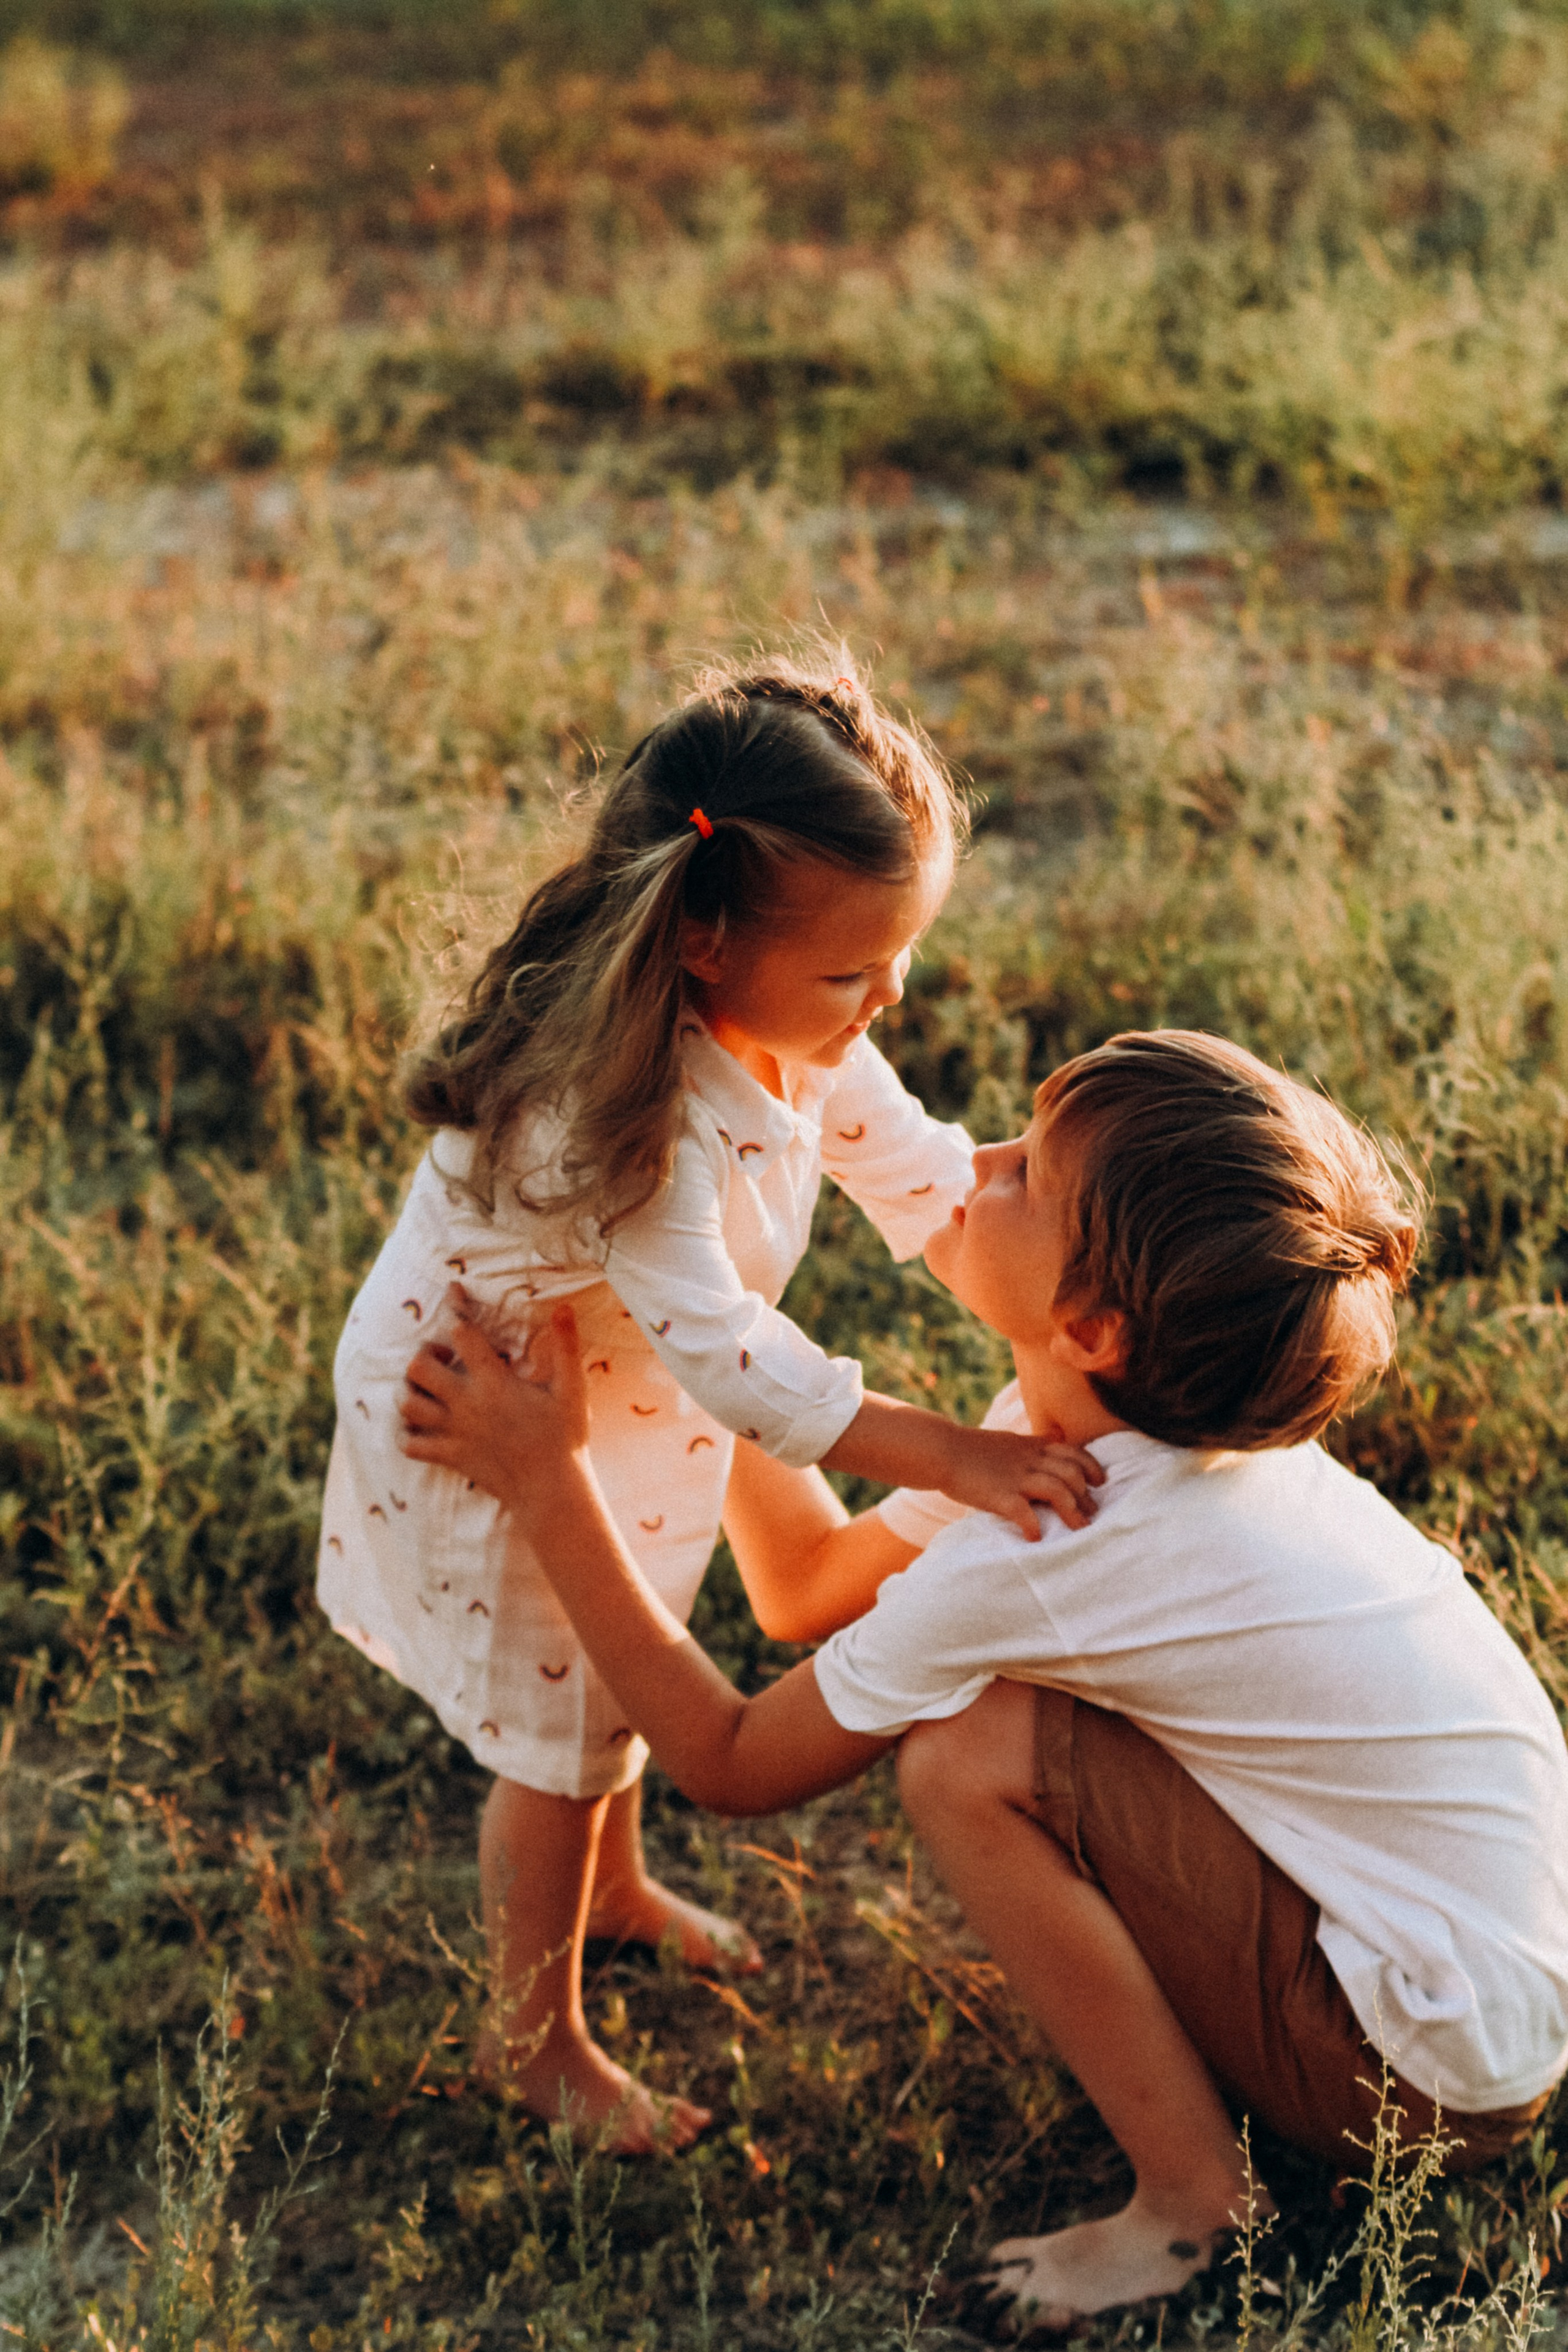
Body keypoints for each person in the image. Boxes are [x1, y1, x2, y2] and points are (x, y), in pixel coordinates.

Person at [399, 1028, 1568, 2328]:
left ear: (1093, 1325)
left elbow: (727, 1764)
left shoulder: (1064, 1538)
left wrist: (544, 1477)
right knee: (999, 1724)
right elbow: (806, 1586)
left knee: (970, 1752)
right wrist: (698, 1350)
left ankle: (1192, 2209)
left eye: (1024, 1175)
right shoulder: (1105, 1447)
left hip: (1417, 2075)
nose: (979, 1160)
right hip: (1467, 1986)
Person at [317, 656, 1099, 2153]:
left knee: (610, 1682)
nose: (884, 1001)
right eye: (849, 974)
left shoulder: (803, 1038)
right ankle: (531, 2039)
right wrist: (963, 1457)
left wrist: (1066, 1280)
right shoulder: (633, 1121)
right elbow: (741, 1360)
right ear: (700, 944)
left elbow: (927, 1182)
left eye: (898, 961)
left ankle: (609, 1894)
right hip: (491, 1405)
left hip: (614, 1383)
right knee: (558, 1734)